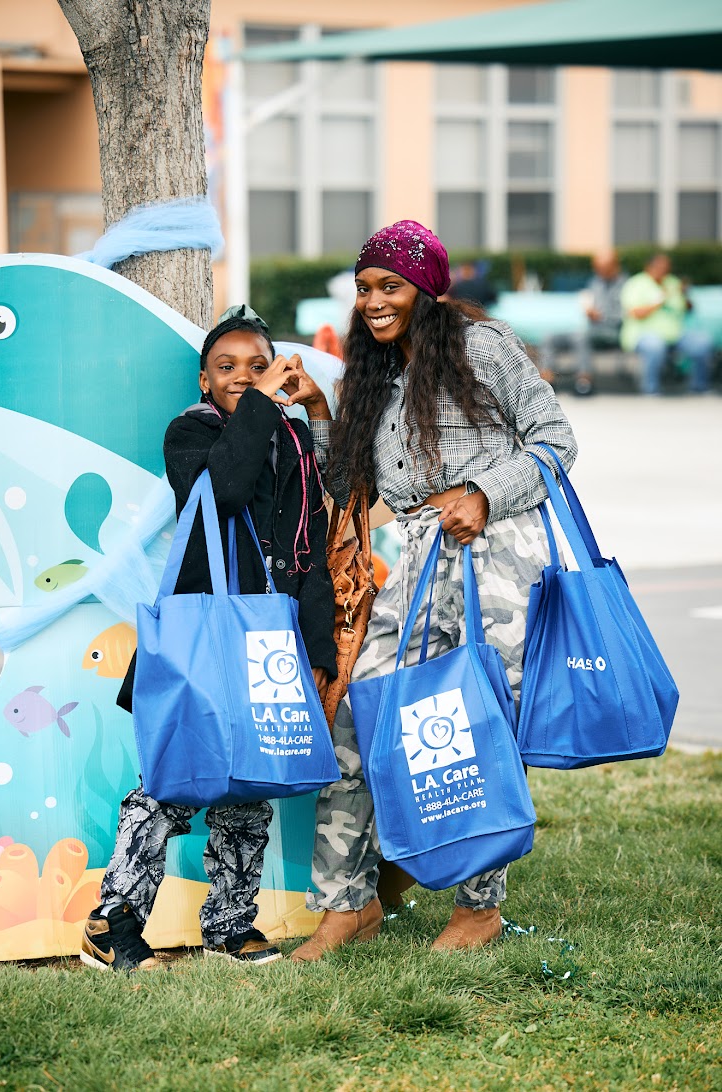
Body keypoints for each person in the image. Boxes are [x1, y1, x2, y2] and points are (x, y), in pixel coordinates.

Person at [281, 220, 578, 960]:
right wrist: (321, 413)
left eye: (389, 286)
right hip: (415, 563)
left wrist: (481, 489)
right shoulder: (375, 371)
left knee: (479, 724)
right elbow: (349, 486)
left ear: (427, 288)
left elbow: (556, 440)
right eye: (365, 288)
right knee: (355, 714)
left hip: (497, 556)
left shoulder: (483, 348)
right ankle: (348, 904)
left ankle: (480, 909)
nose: (373, 301)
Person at [80, 307, 336, 971]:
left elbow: (308, 554)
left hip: (264, 646)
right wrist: (261, 404)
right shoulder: (189, 432)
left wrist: (317, 652)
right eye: (227, 368)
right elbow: (220, 489)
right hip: (199, 640)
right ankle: (112, 920)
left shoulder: (294, 443)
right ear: (203, 379)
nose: (243, 378)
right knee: (171, 781)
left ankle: (230, 924)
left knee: (249, 784)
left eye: (258, 367)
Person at [620, 253, 713, 395]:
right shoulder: (636, 284)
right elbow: (635, 313)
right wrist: (659, 301)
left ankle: (699, 386)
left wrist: (685, 295)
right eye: (660, 267)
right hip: (643, 334)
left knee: (702, 343)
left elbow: (686, 309)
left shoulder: (672, 282)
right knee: (655, 345)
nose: (664, 270)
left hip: (675, 334)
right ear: (648, 267)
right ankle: (651, 389)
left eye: (667, 267)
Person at [539, 249, 627, 395]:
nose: (598, 271)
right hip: (589, 327)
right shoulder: (596, 281)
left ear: (614, 266)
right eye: (597, 268)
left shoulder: (625, 285)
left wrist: (600, 316)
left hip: (611, 330)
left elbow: (623, 315)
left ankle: (584, 381)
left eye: (601, 268)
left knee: (580, 337)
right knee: (549, 337)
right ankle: (547, 380)